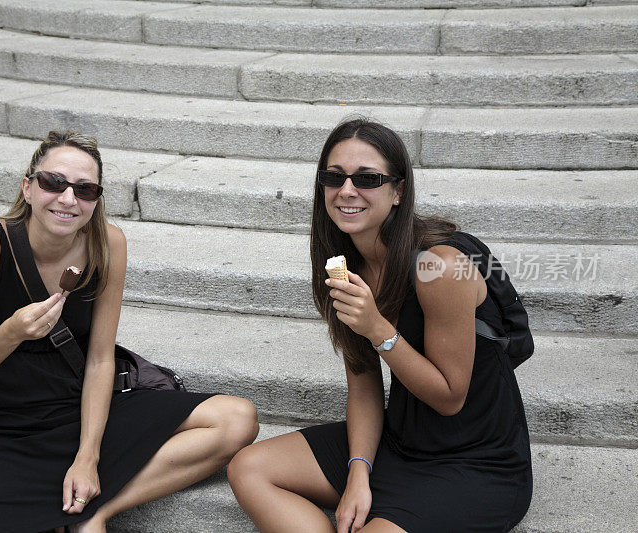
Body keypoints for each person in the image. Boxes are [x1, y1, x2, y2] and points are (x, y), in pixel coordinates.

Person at [0, 130, 259, 533]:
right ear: (27, 187)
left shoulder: (107, 243)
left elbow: (99, 359)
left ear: (97, 198)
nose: (68, 199)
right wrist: (10, 332)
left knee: (236, 418)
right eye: (53, 183)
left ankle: (95, 510)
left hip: (78, 412)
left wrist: (87, 458)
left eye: (85, 189)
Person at [227, 118, 532, 532]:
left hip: (475, 462)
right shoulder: (343, 264)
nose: (347, 190)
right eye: (334, 177)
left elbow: (449, 397)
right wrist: (358, 474)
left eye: (367, 178)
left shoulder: (438, 266)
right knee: (249, 467)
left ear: (398, 190)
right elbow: (365, 385)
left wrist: (378, 328)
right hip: (399, 440)